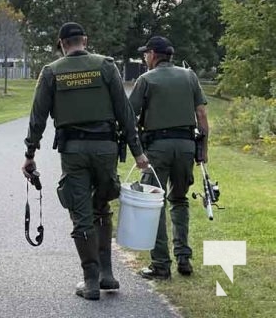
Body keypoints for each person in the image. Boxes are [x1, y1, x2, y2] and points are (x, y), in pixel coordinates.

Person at [21, 22, 149, 301]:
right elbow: (125, 112)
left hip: (74, 151)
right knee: (101, 207)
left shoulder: (51, 72)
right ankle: (107, 274)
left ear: (62, 44)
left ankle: (90, 281)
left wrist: (30, 154)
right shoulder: (106, 66)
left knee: (81, 214)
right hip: (106, 149)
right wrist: (138, 152)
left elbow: (38, 118)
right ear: (85, 40)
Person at [129, 36, 209, 280]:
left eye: (146, 54)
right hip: (186, 146)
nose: (145, 58)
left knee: (154, 204)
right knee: (180, 199)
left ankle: (161, 264)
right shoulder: (190, 76)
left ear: (154, 54)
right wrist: (202, 150)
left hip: (157, 148)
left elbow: (129, 114)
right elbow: (202, 115)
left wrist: (136, 149)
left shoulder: (146, 80)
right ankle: (184, 257)